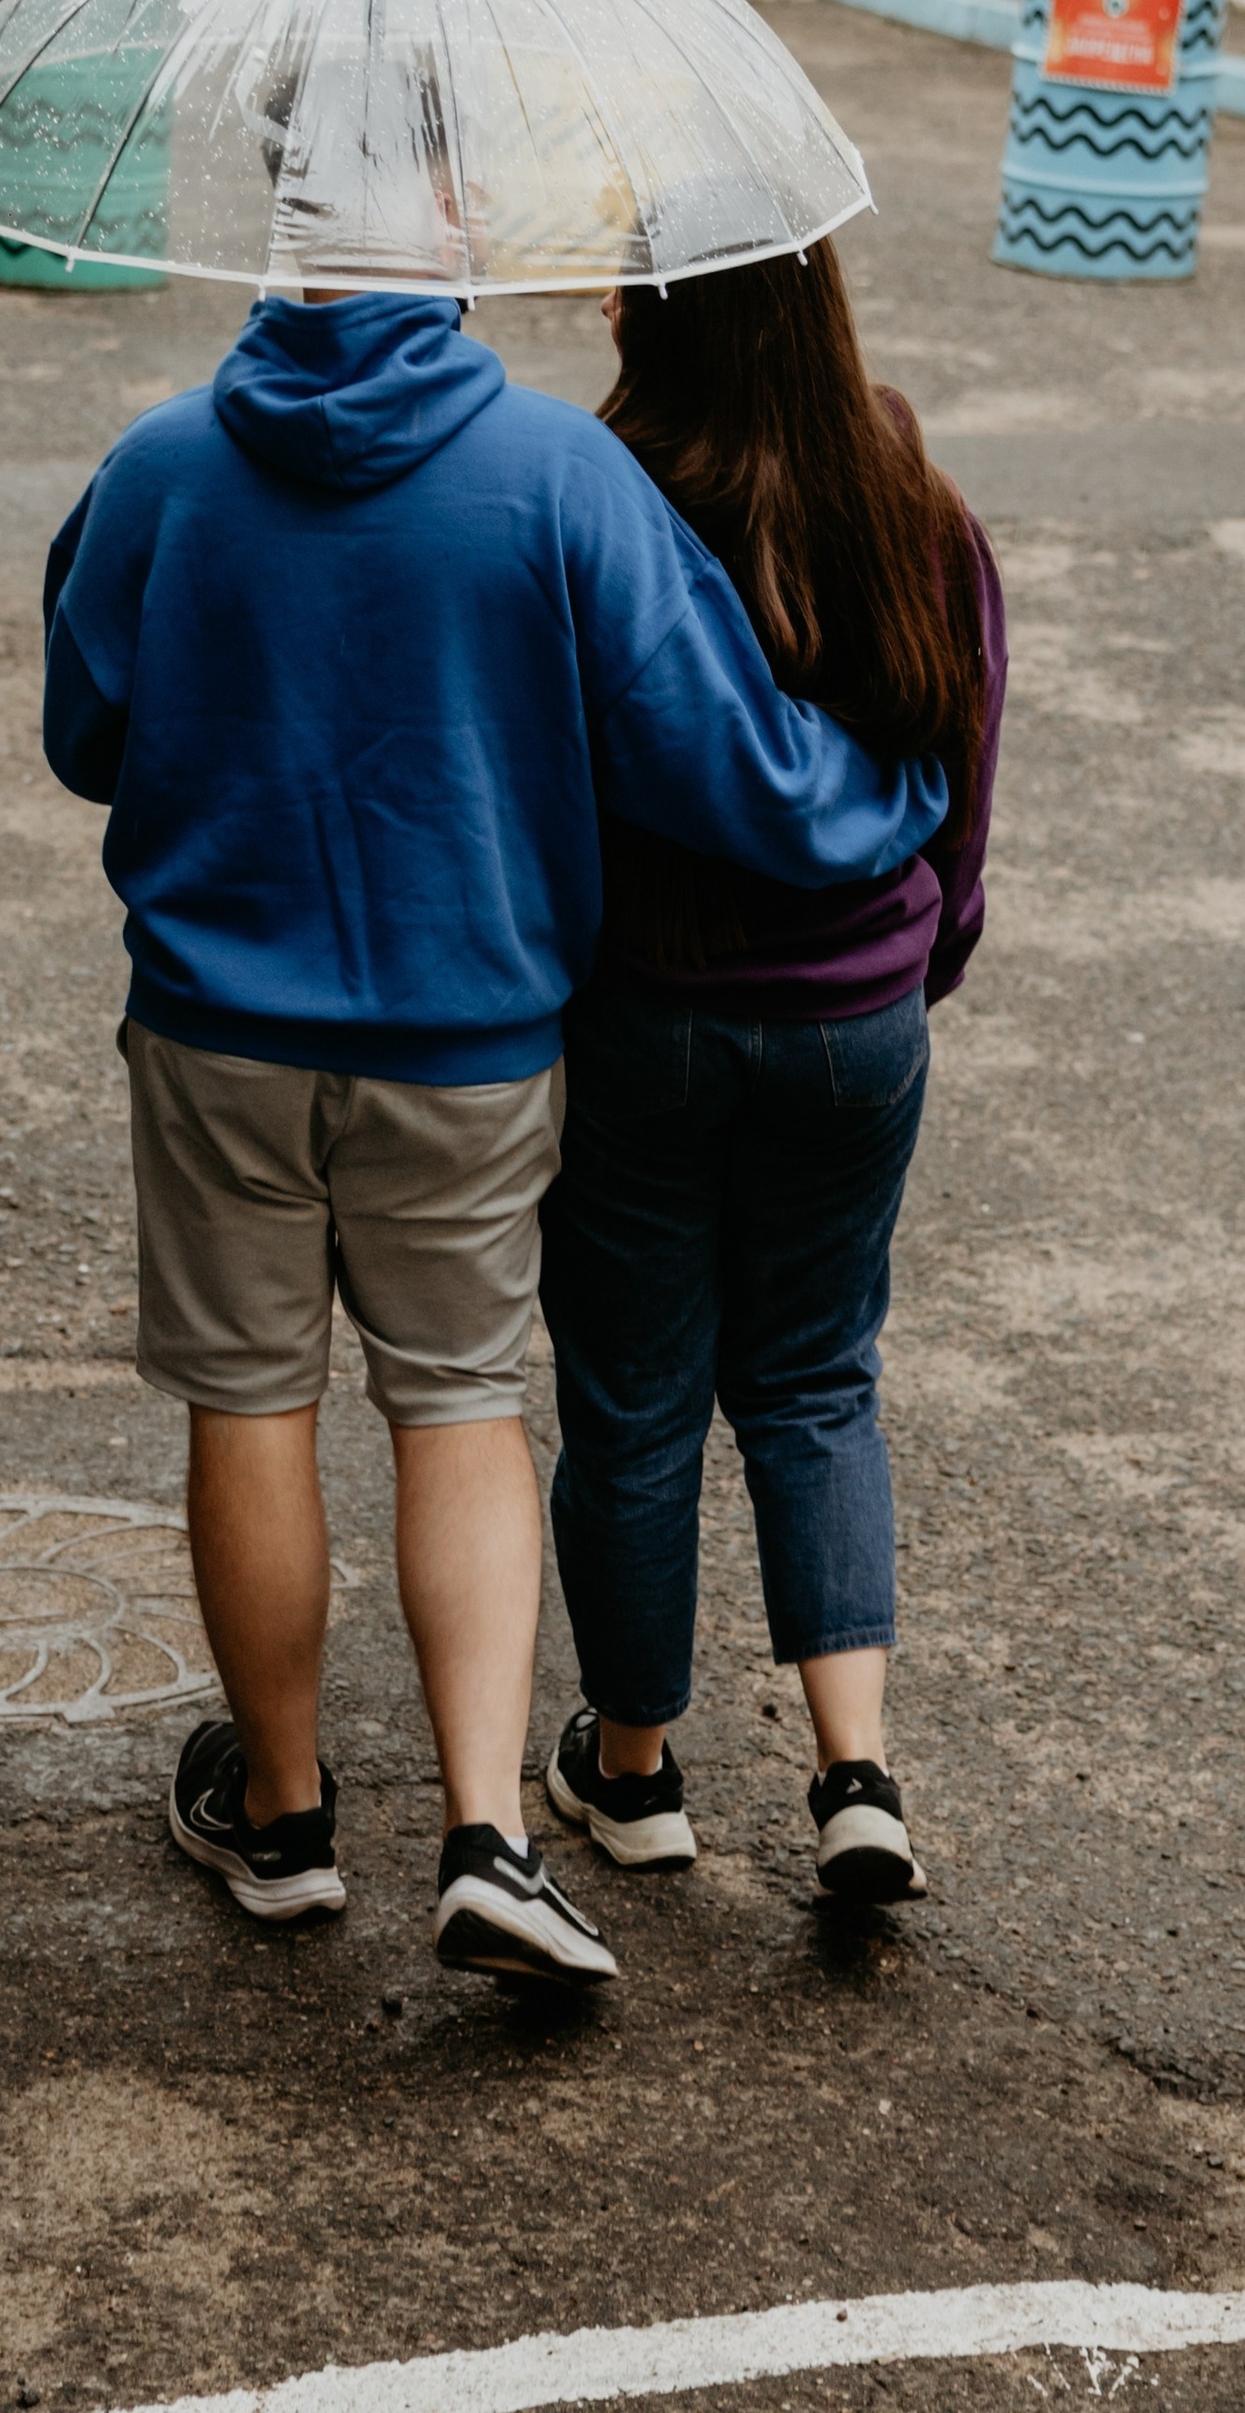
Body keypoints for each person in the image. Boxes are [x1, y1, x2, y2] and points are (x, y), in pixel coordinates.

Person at [41, 283, 946, 1986]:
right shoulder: (555, 472)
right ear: (448, 225)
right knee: (460, 1402)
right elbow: (726, 758)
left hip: (219, 1024)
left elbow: (83, 733)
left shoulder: (158, 466)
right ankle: (490, 1839)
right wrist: (898, 795)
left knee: (250, 1399)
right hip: (470, 1037)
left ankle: (289, 1820)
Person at [535, 241, 1005, 1904]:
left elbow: (555, 779)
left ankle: (635, 1770)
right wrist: (910, 973)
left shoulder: (604, 499)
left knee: (636, 1390)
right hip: (859, 1018)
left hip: (647, 1013)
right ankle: (854, 1774)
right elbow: (968, 752)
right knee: (816, 1377)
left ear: (664, 312)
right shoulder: (910, 493)